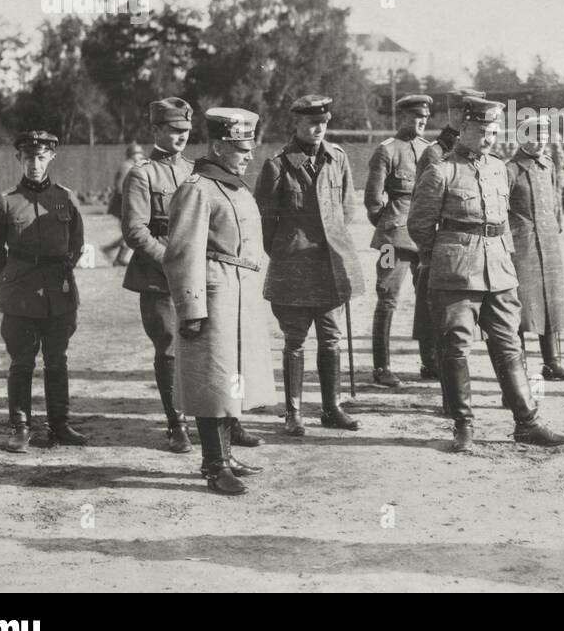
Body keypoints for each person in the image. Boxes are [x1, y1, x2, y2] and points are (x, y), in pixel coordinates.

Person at [407, 98, 564, 453]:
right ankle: (463, 425)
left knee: (509, 344)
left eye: (493, 131)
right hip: (456, 273)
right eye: (481, 131)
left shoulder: (498, 168)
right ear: (463, 130)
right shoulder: (441, 170)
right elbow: (419, 226)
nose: (489, 138)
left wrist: (506, 261)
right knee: (457, 347)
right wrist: (445, 258)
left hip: (499, 270)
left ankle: (526, 422)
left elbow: (503, 221)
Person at [166, 108, 275, 494]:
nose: (248, 156)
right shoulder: (198, 188)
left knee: (231, 381)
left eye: (249, 148)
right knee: (210, 383)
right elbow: (181, 252)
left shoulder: (234, 185)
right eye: (240, 148)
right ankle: (213, 466)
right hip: (214, 294)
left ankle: (226, 456)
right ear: (217, 146)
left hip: (239, 295)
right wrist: (191, 308)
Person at [255, 94, 366, 433]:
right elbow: (265, 221)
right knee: (295, 341)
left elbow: (346, 209)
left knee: (331, 338)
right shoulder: (277, 164)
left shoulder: (338, 159)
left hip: (330, 266)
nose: (319, 128)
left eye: (324, 122)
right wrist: (289, 251)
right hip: (294, 267)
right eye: (311, 123)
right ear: (297, 124)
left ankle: (332, 408)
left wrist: (333, 243)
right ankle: (294, 414)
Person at [0, 130, 86, 452]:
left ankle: (60, 423)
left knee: (57, 361)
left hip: (59, 294)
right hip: (20, 296)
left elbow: (77, 243)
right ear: (19, 159)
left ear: (51, 158)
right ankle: (20, 426)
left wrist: (60, 271)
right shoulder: (5, 202)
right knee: (22, 362)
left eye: (41, 158)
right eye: (29, 158)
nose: (35, 164)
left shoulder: (65, 198)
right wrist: (12, 277)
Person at [120, 97, 196, 452]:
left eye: (185, 130)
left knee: (201, 347)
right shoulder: (142, 174)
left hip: (195, 278)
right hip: (159, 279)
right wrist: (173, 262)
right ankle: (176, 424)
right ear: (156, 130)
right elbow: (135, 232)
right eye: (173, 130)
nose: (180, 137)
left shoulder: (195, 172)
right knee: (168, 349)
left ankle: (215, 419)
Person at [364, 94, 434, 387]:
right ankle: (382, 367)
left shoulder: (430, 150)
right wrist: (388, 227)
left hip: (425, 238)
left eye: (425, 118)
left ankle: (430, 363)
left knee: (429, 299)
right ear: (402, 117)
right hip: (393, 241)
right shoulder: (387, 151)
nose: (421, 122)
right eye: (415, 117)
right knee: (387, 298)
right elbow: (372, 201)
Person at [507, 115, 564, 381]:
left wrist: (555, 227)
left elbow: (554, 201)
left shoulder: (548, 165)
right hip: (522, 247)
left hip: (548, 244)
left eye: (544, 136)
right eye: (534, 136)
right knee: (522, 308)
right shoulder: (510, 169)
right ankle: (518, 366)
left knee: (551, 302)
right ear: (521, 137)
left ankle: (552, 363)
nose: (540, 142)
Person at [106, 143, 145, 265]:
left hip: (125, 205)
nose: (141, 156)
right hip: (122, 205)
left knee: (131, 231)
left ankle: (117, 257)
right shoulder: (126, 167)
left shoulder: (132, 166)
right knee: (132, 231)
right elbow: (119, 187)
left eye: (141, 153)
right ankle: (112, 252)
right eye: (137, 153)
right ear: (131, 154)